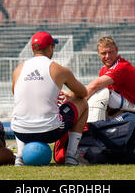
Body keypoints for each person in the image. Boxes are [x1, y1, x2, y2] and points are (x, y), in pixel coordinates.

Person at [11, 31, 88, 166]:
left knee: (22, 107)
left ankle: (20, 156)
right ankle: (71, 156)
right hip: (50, 132)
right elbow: (83, 93)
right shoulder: (59, 69)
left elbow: (17, 94)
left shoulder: (18, 69)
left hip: (20, 132)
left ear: (33, 49)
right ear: (51, 47)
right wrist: (69, 95)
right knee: (83, 103)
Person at [85, 36, 135, 121]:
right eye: (103, 53)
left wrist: (74, 97)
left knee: (103, 93)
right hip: (124, 113)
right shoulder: (103, 70)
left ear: (116, 50)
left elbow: (94, 86)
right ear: (98, 53)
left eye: (111, 52)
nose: (108, 56)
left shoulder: (121, 67)